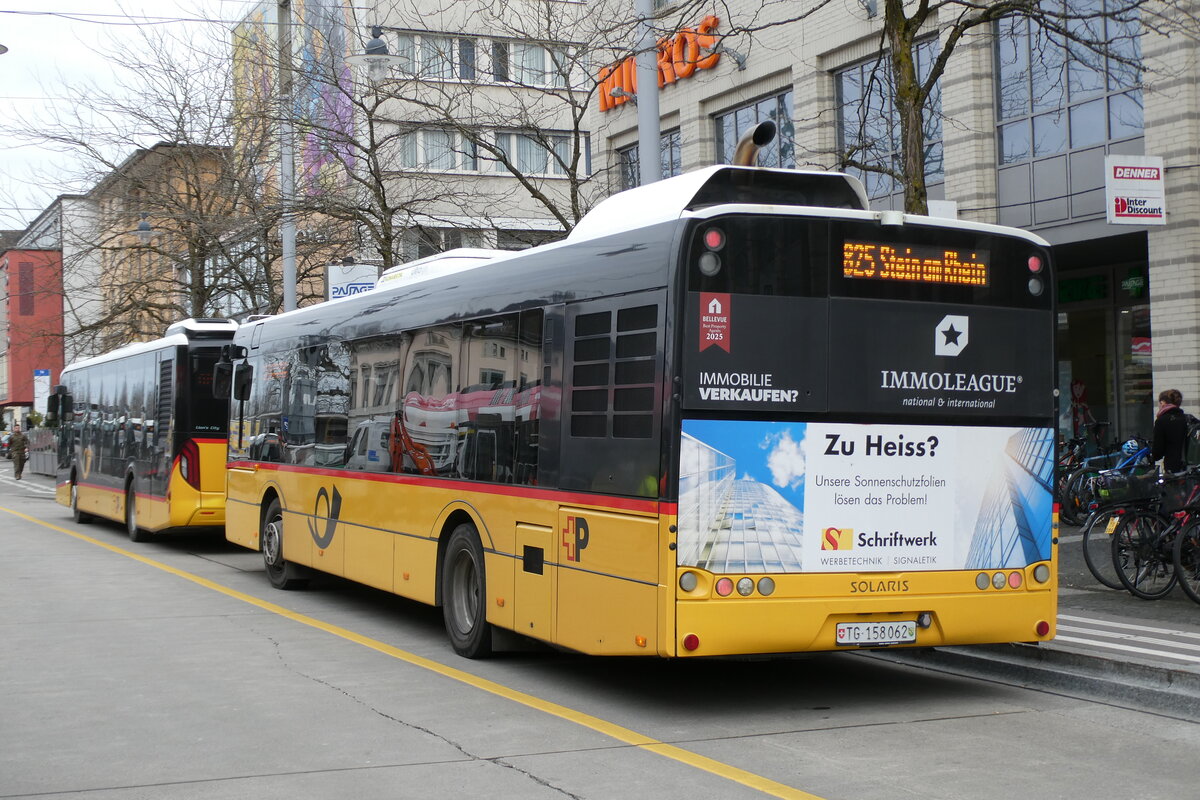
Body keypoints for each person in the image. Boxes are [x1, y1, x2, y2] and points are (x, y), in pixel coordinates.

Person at [1151, 389, 1188, 473]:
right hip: (1191, 467)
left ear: (1163, 403)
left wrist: (1153, 457)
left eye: (1159, 403)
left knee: (1172, 485)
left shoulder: (1162, 421)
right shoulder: (1187, 418)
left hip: (1173, 466)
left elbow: (1158, 450)